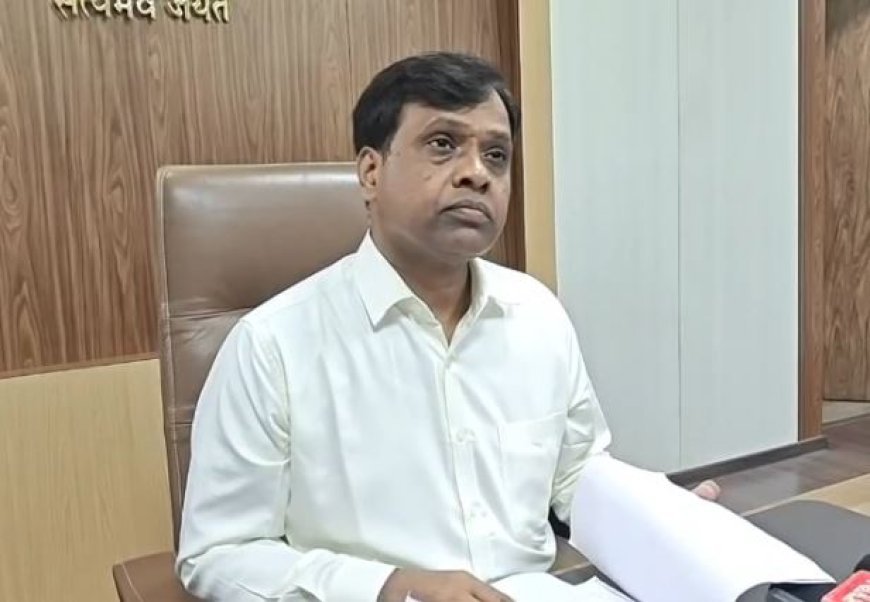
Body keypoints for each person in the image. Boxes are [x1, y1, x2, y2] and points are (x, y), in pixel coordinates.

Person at [176, 51, 718, 602]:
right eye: (442, 144)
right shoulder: (272, 346)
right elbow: (218, 554)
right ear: (370, 172)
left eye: (496, 155)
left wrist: (656, 518)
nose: (476, 173)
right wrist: (391, 588)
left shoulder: (538, 313)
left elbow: (575, 473)